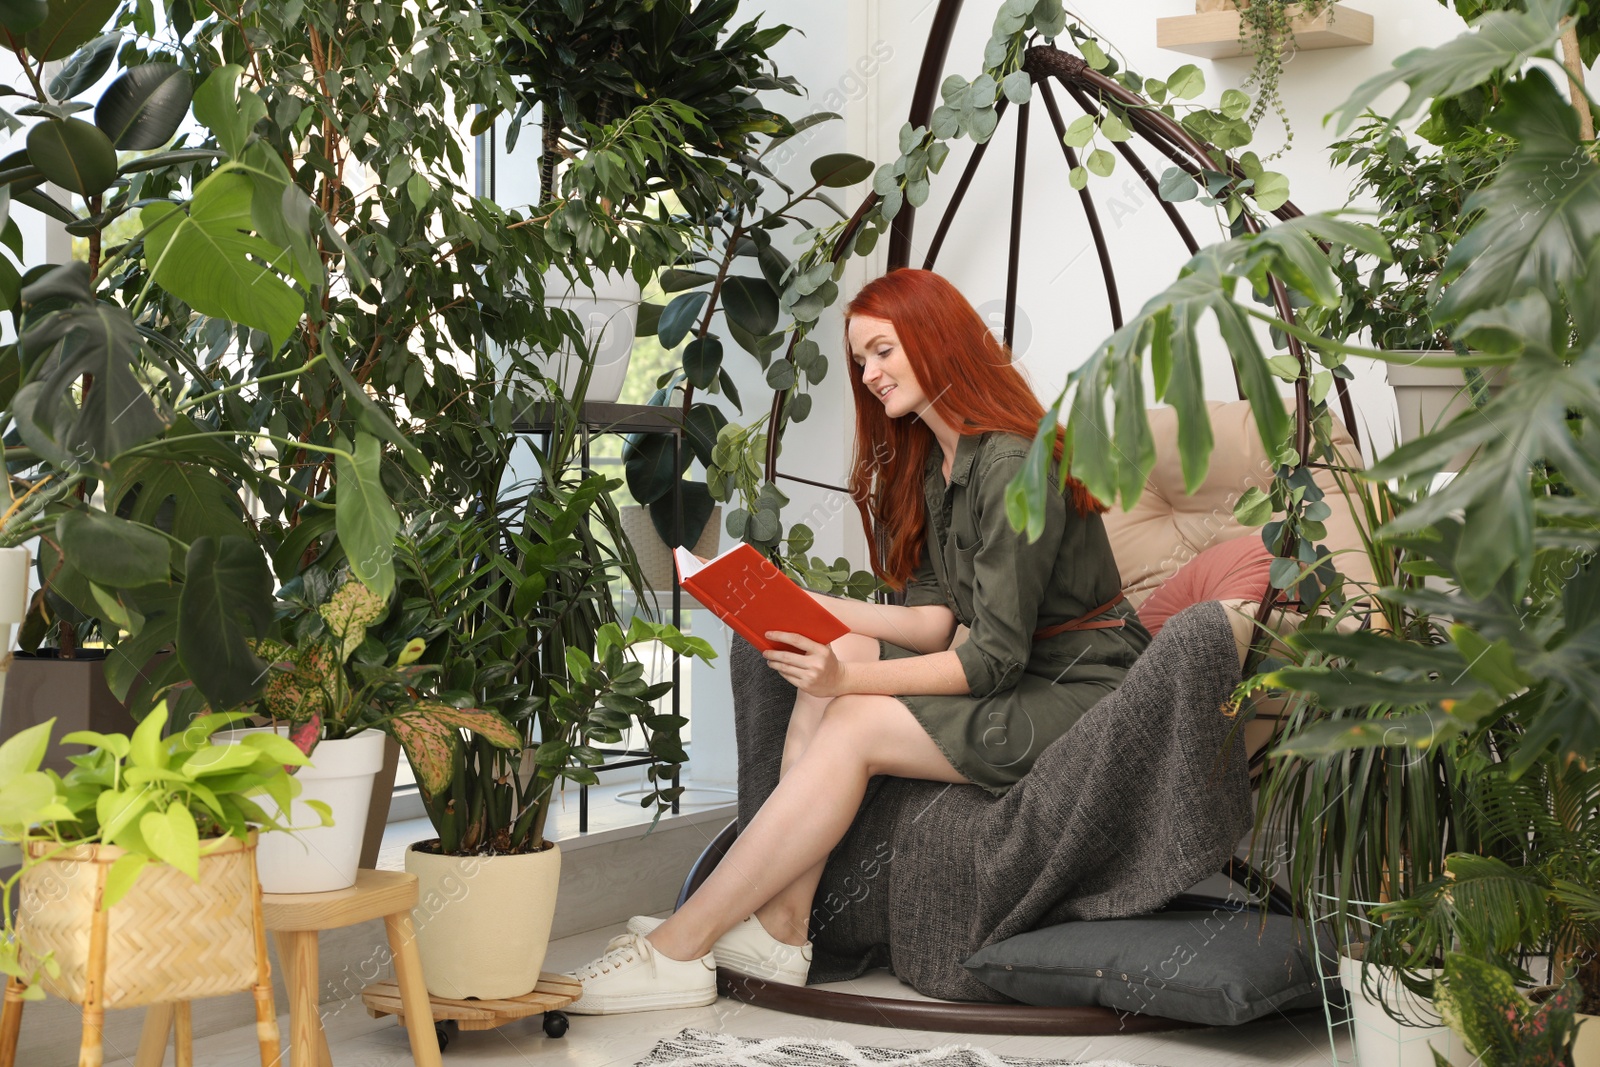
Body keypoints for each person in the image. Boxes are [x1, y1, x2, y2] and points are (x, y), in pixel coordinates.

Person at [564, 268, 1151, 1014]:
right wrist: (810, 604)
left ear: (937, 342)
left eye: (882, 351)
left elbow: (994, 658)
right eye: (861, 360)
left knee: (851, 711)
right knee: (822, 677)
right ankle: (783, 929)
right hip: (1027, 672)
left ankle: (679, 947)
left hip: (1082, 689)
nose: (868, 375)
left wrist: (849, 681)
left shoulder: (1010, 463)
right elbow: (933, 621)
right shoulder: (943, 461)